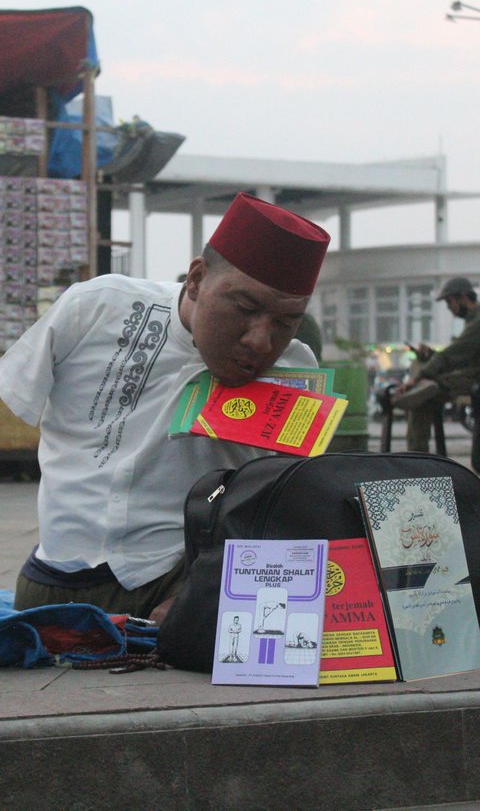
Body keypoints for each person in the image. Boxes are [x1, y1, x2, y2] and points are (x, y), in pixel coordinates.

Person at [0, 191, 330, 622]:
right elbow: (14, 399)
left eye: (287, 322)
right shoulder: (96, 308)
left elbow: (289, 507)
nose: (260, 342)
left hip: (186, 585)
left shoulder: (293, 370)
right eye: (245, 308)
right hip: (56, 581)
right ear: (196, 278)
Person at [392, 276, 480, 451]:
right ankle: (419, 456)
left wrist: (417, 378)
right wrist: (430, 354)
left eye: (450, 302)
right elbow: (459, 356)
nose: (449, 308)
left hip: (474, 377)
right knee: (423, 396)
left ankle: (418, 458)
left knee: (423, 396)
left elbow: (451, 355)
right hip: (469, 373)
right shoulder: (472, 321)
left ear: (463, 297)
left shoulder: (477, 323)